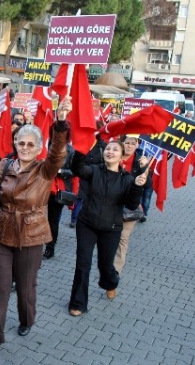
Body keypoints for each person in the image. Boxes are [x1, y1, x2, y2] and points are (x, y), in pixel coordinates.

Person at [0, 98, 72, 355]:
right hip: (2, 231)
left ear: (39, 148)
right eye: (21, 143)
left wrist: (61, 121)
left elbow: (58, 152)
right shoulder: (6, 166)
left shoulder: (45, 169)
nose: (25, 147)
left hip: (32, 234)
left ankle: (26, 319)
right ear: (15, 144)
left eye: (31, 144)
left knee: (26, 284)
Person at [68, 140, 147, 317]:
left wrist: (137, 186)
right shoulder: (94, 170)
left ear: (121, 156)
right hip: (87, 224)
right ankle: (78, 303)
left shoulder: (127, 179)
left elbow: (132, 204)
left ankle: (111, 283)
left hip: (111, 228)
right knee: (83, 264)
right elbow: (78, 169)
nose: (110, 152)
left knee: (105, 265)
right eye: (108, 149)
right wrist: (81, 151)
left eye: (115, 149)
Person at [114, 135, 150, 274]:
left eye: (133, 143)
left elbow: (149, 185)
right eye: (126, 143)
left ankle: (116, 271)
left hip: (129, 208)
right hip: (111, 204)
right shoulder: (113, 155)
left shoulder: (140, 160)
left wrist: (144, 168)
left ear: (137, 145)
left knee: (123, 238)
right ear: (121, 143)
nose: (129, 146)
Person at [42, 129, 76, 260]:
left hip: (57, 190)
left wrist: (60, 171)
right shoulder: (46, 145)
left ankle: (50, 248)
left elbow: (74, 171)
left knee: (52, 221)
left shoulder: (71, 150)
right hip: (42, 187)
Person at [70, 131, 107, 228]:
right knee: (79, 198)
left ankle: (86, 218)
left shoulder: (101, 146)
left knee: (88, 198)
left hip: (94, 176)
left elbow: (103, 162)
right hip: (81, 175)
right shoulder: (83, 142)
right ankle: (74, 220)